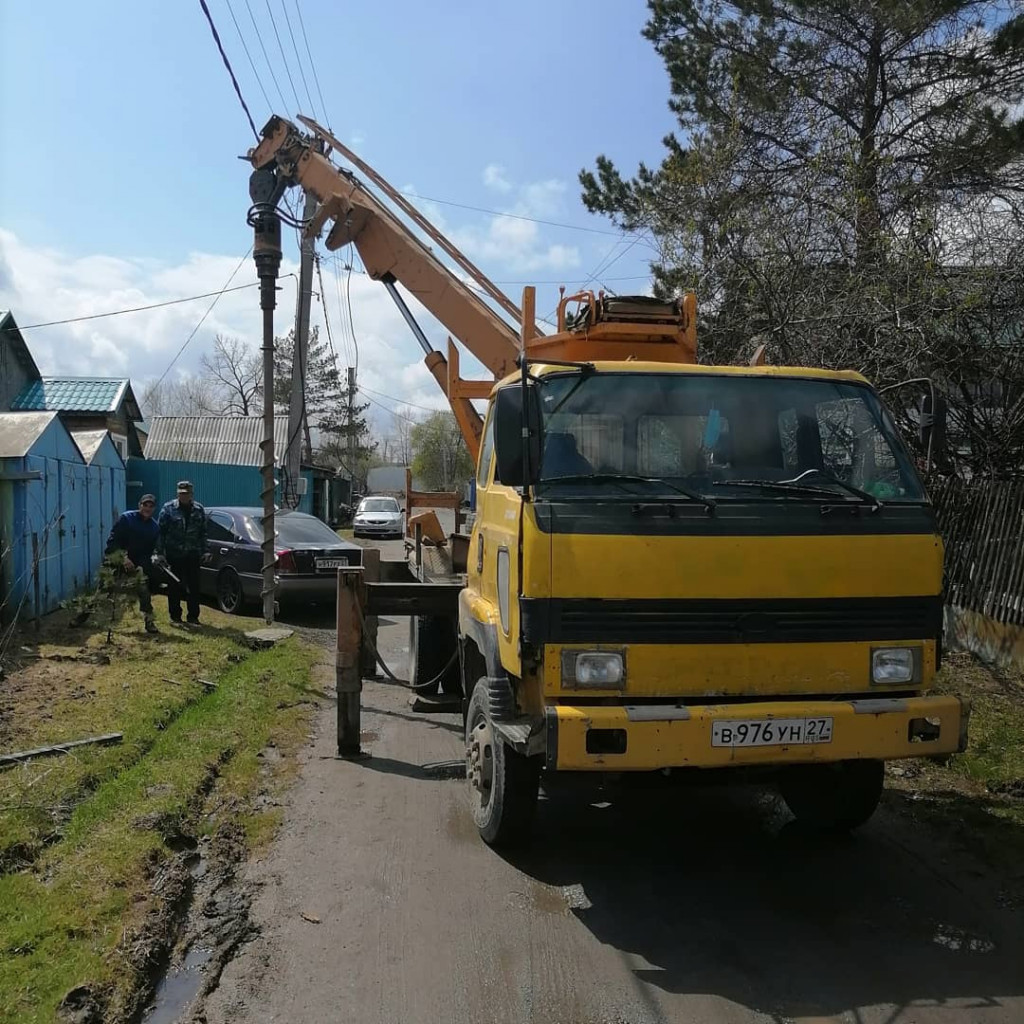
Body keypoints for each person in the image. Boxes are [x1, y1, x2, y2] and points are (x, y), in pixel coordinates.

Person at [104, 493, 161, 634]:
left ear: (154, 508)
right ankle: (81, 617)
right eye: (145, 505)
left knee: (144, 592)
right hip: (116, 561)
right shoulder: (126, 519)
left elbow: (149, 551)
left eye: (151, 506)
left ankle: (149, 622)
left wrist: (151, 559)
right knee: (101, 592)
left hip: (134, 566)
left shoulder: (154, 528)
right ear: (139, 505)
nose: (147, 508)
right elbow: (112, 542)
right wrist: (123, 557)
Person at [156, 481, 209, 625]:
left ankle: (193, 617)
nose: (184, 496)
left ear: (191, 494)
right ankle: (175, 616)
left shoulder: (198, 509)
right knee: (174, 586)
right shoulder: (168, 508)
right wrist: (160, 553)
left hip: (192, 553)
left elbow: (203, 532)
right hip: (174, 554)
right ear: (177, 493)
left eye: (186, 494)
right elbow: (161, 532)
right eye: (181, 494)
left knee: (194, 586)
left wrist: (205, 551)